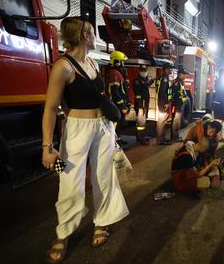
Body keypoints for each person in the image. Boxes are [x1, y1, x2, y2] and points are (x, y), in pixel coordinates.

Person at [41, 17, 128, 263]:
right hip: (78, 128)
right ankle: (63, 233)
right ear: (82, 36)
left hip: (103, 127)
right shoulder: (63, 67)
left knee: (104, 176)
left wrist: (112, 129)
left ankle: (101, 221)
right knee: (71, 182)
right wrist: (48, 146)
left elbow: (99, 96)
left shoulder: (92, 62)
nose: (94, 34)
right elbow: (50, 109)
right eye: (90, 31)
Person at [108, 50, 130, 145]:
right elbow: (115, 92)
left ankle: (118, 139)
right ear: (117, 62)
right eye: (122, 61)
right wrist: (122, 106)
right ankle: (115, 143)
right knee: (116, 124)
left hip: (119, 104)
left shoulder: (117, 73)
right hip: (116, 105)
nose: (123, 64)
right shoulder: (114, 73)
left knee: (121, 124)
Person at [133, 65, 155, 145]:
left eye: (145, 70)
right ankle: (141, 139)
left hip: (144, 104)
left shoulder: (143, 79)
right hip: (140, 105)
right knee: (141, 123)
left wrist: (152, 80)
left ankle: (140, 137)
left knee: (142, 121)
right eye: (142, 70)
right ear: (140, 71)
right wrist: (140, 106)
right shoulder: (137, 81)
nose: (144, 72)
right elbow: (137, 95)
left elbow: (146, 85)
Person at [169, 66, 188, 142]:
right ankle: (174, 137)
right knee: (176, 121)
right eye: (184, 74)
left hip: (179, 104)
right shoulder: (177, 83)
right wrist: (175, 103)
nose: (185, 76)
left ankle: (176, 136)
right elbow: (173, 94)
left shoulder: (179, 82)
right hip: (178, 105)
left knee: (178, 120)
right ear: (180, 74)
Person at [156, 63, 173, 145]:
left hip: (161, 102)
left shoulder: (162, 77)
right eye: (170, 68)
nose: (172, 70)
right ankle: (160, 140)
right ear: (166, 69)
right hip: (163, 102)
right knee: (161, 121)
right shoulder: (165, 78)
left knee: (161, 121)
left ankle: (161, 139)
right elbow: (163, 91)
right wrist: (166, 102)